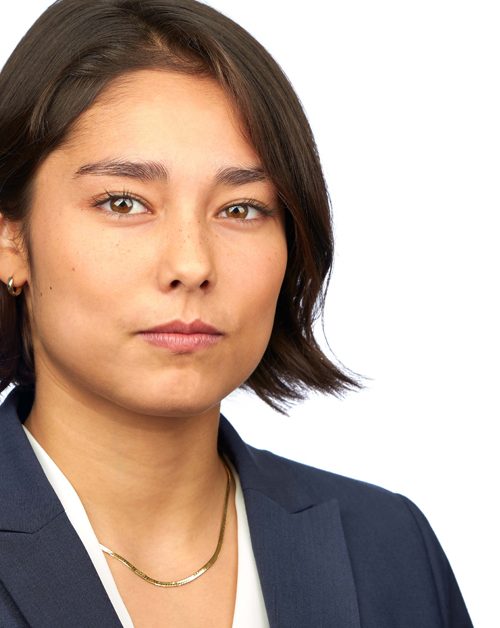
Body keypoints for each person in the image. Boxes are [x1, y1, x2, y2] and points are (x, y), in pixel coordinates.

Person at [0, 0, 473, 626]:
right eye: (123, 202)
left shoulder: (388, 546)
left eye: (241, 209)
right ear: (10, 239)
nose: (192, 264)